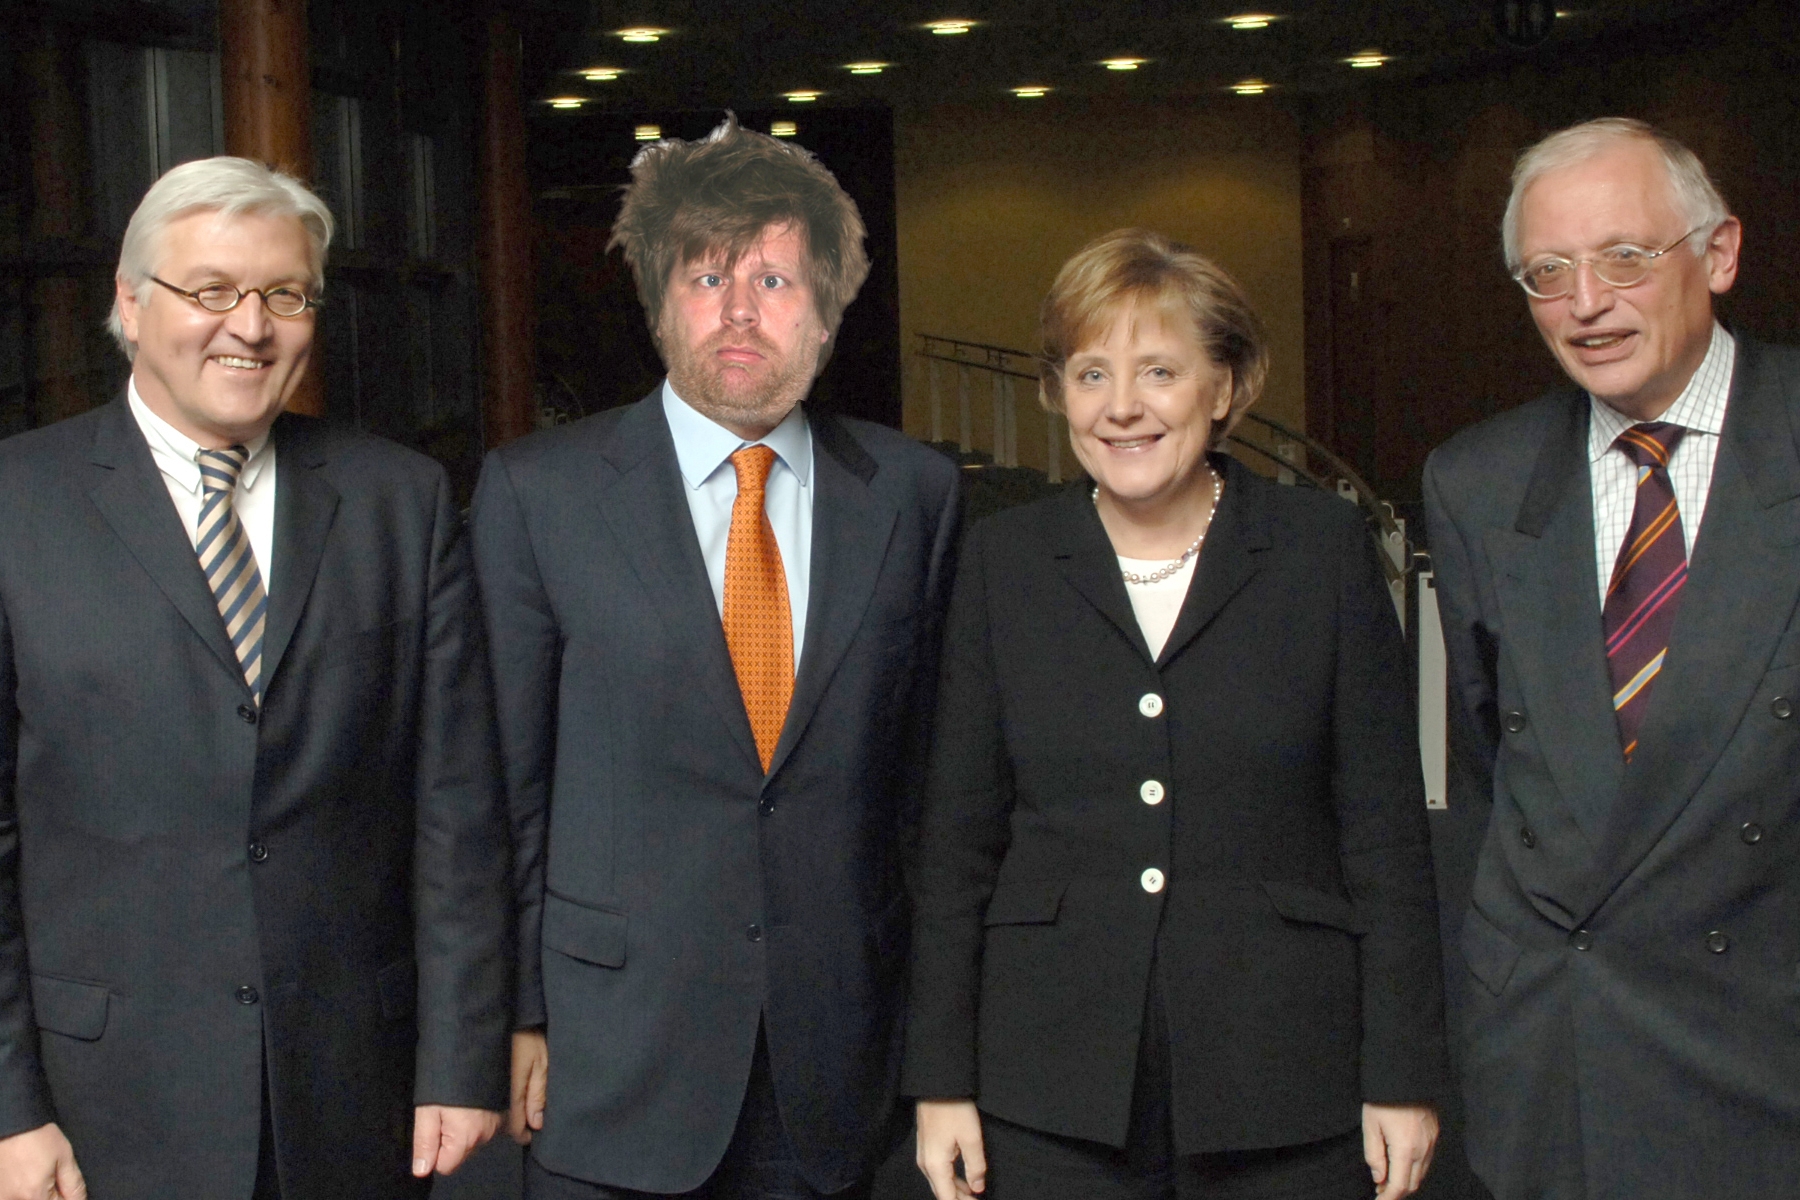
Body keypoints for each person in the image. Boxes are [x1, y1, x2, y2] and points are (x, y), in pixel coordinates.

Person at [0, 156, 511, 1199]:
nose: (251, 326)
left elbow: (455, 808)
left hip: (355, 1090)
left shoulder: (400, 501)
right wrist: (8, 1106)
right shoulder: (17, 504)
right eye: (212, 290)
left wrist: (461, 1058)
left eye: (286, 294)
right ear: (130, 304)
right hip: (101, 1102)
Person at [472, 115, 961, 1199]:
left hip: (839, 1057)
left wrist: (940, 1058)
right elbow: (502, 789)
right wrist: (513, 1012)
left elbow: (937, 799)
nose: (739, 311)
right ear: (659, 305)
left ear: (828, 313)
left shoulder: (915, 496)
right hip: (609, 1053)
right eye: (706, 278)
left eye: (775, 281)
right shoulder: (538, 494)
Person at [906, 228, 1446, 1200]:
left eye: (1159, 370)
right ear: (1058, 393)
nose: (1122, 406)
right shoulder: (1003, 562)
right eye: (1091, 374)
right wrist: (941, 1082)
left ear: (1226, 386)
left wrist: (1402, 1073)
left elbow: (1386, 837)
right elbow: (957, 844)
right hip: (1048, 1083)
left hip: (1285, 1076)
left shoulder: (1320, 550)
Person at [1424, 116, 1800, 1200]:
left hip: (1766, 1044)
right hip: (1559, 1061)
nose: (1585, 304)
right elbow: (1502, 773)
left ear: (1719, 253)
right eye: (1548, 273)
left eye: (1625, 258)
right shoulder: (1478, 484)